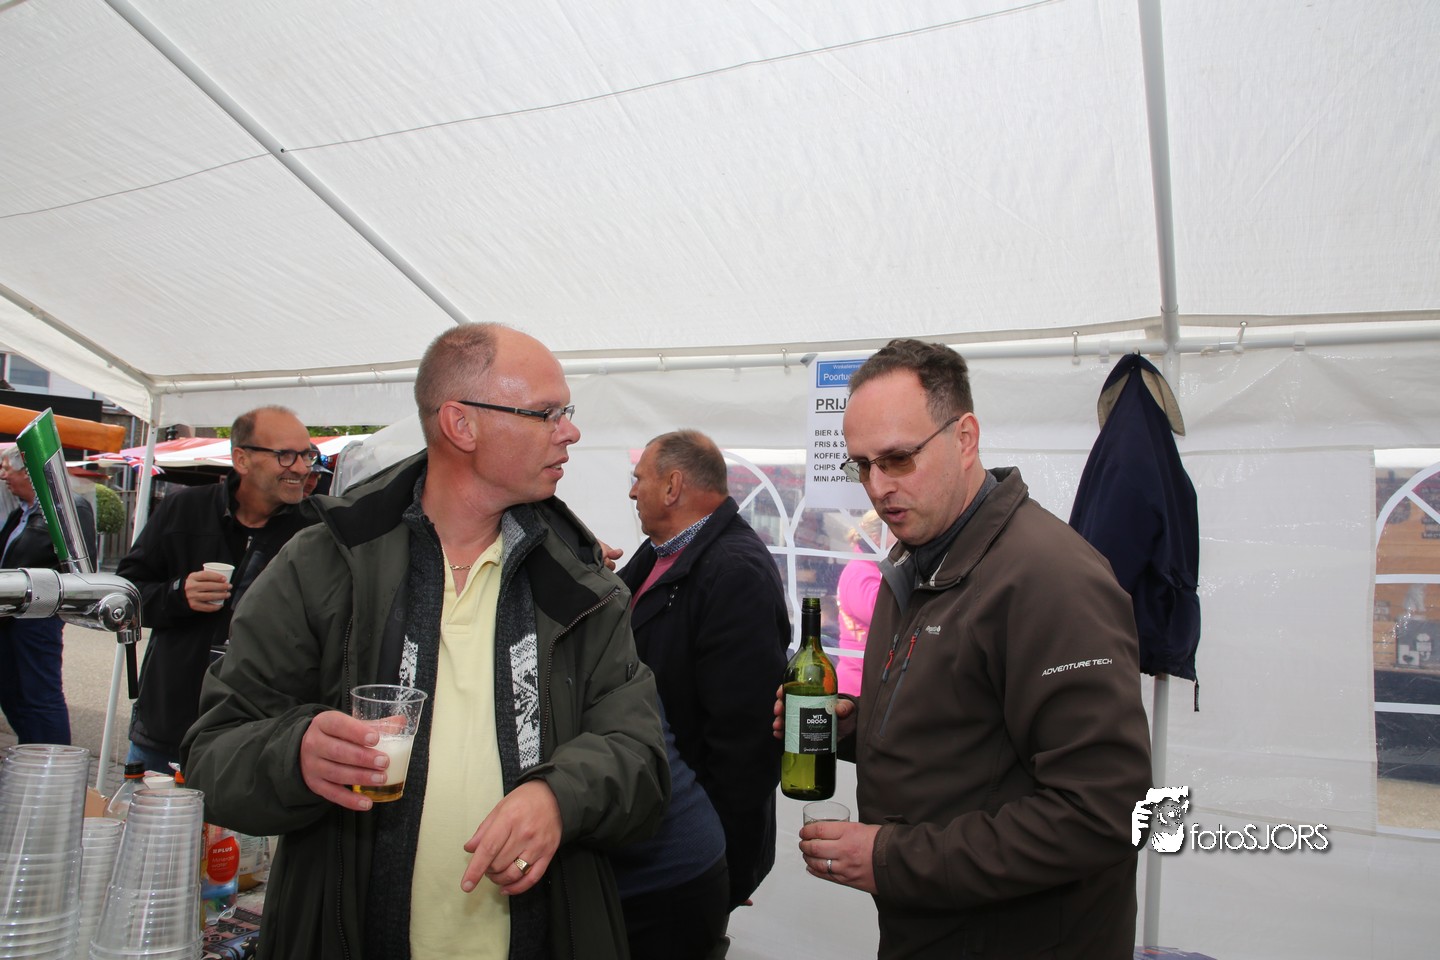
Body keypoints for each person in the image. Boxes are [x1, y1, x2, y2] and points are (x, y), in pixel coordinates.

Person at [181, 323, 668, 960]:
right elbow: (212, 753)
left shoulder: (580, 586)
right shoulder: (325, 565)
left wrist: (560, 796)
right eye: (547, 413)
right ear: (461, 424)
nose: (570, 432)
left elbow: (640, 760)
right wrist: (295, 753)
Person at [784, 339, 1152, 959]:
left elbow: (1105, 811)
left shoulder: (1049, 578)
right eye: (862, 466)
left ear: (965, 438)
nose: (878, 487)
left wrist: (892, 858)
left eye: (898, 459)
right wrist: (850, 728)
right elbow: (966, 729)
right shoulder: (916, 560)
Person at [619, 429, 789, 921]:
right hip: (656, 831)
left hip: (690, 853)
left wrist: (722, 860)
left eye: (640, 479)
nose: (632, 492)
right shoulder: (660, 552)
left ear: (672, 486)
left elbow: (745, 740)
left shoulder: (734, 571)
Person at [117, 405, 316, 772]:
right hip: (168, 724)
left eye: (307, 455)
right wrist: (178, 593)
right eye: (286, 455)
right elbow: (123, 595)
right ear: (241, 459)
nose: (302, 468)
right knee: (150, 811)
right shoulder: (184, 509)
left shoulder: (315, 530)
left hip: (259, 734)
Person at [0, 449, 97, 744]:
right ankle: (31, 751)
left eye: (6, 469)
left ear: (27, 471)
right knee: (12, 692)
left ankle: (52, 759)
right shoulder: (21, 513)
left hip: (37, 618)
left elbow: (79, 567)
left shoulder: (67, 509)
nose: (3, 475)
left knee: (40, 696)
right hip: (12, 618)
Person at [835, 509, 883, 697]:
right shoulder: (860, 573)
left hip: (865, 678)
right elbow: (884, 614)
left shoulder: (865, 568)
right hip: (858, 684)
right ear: (876, 538)